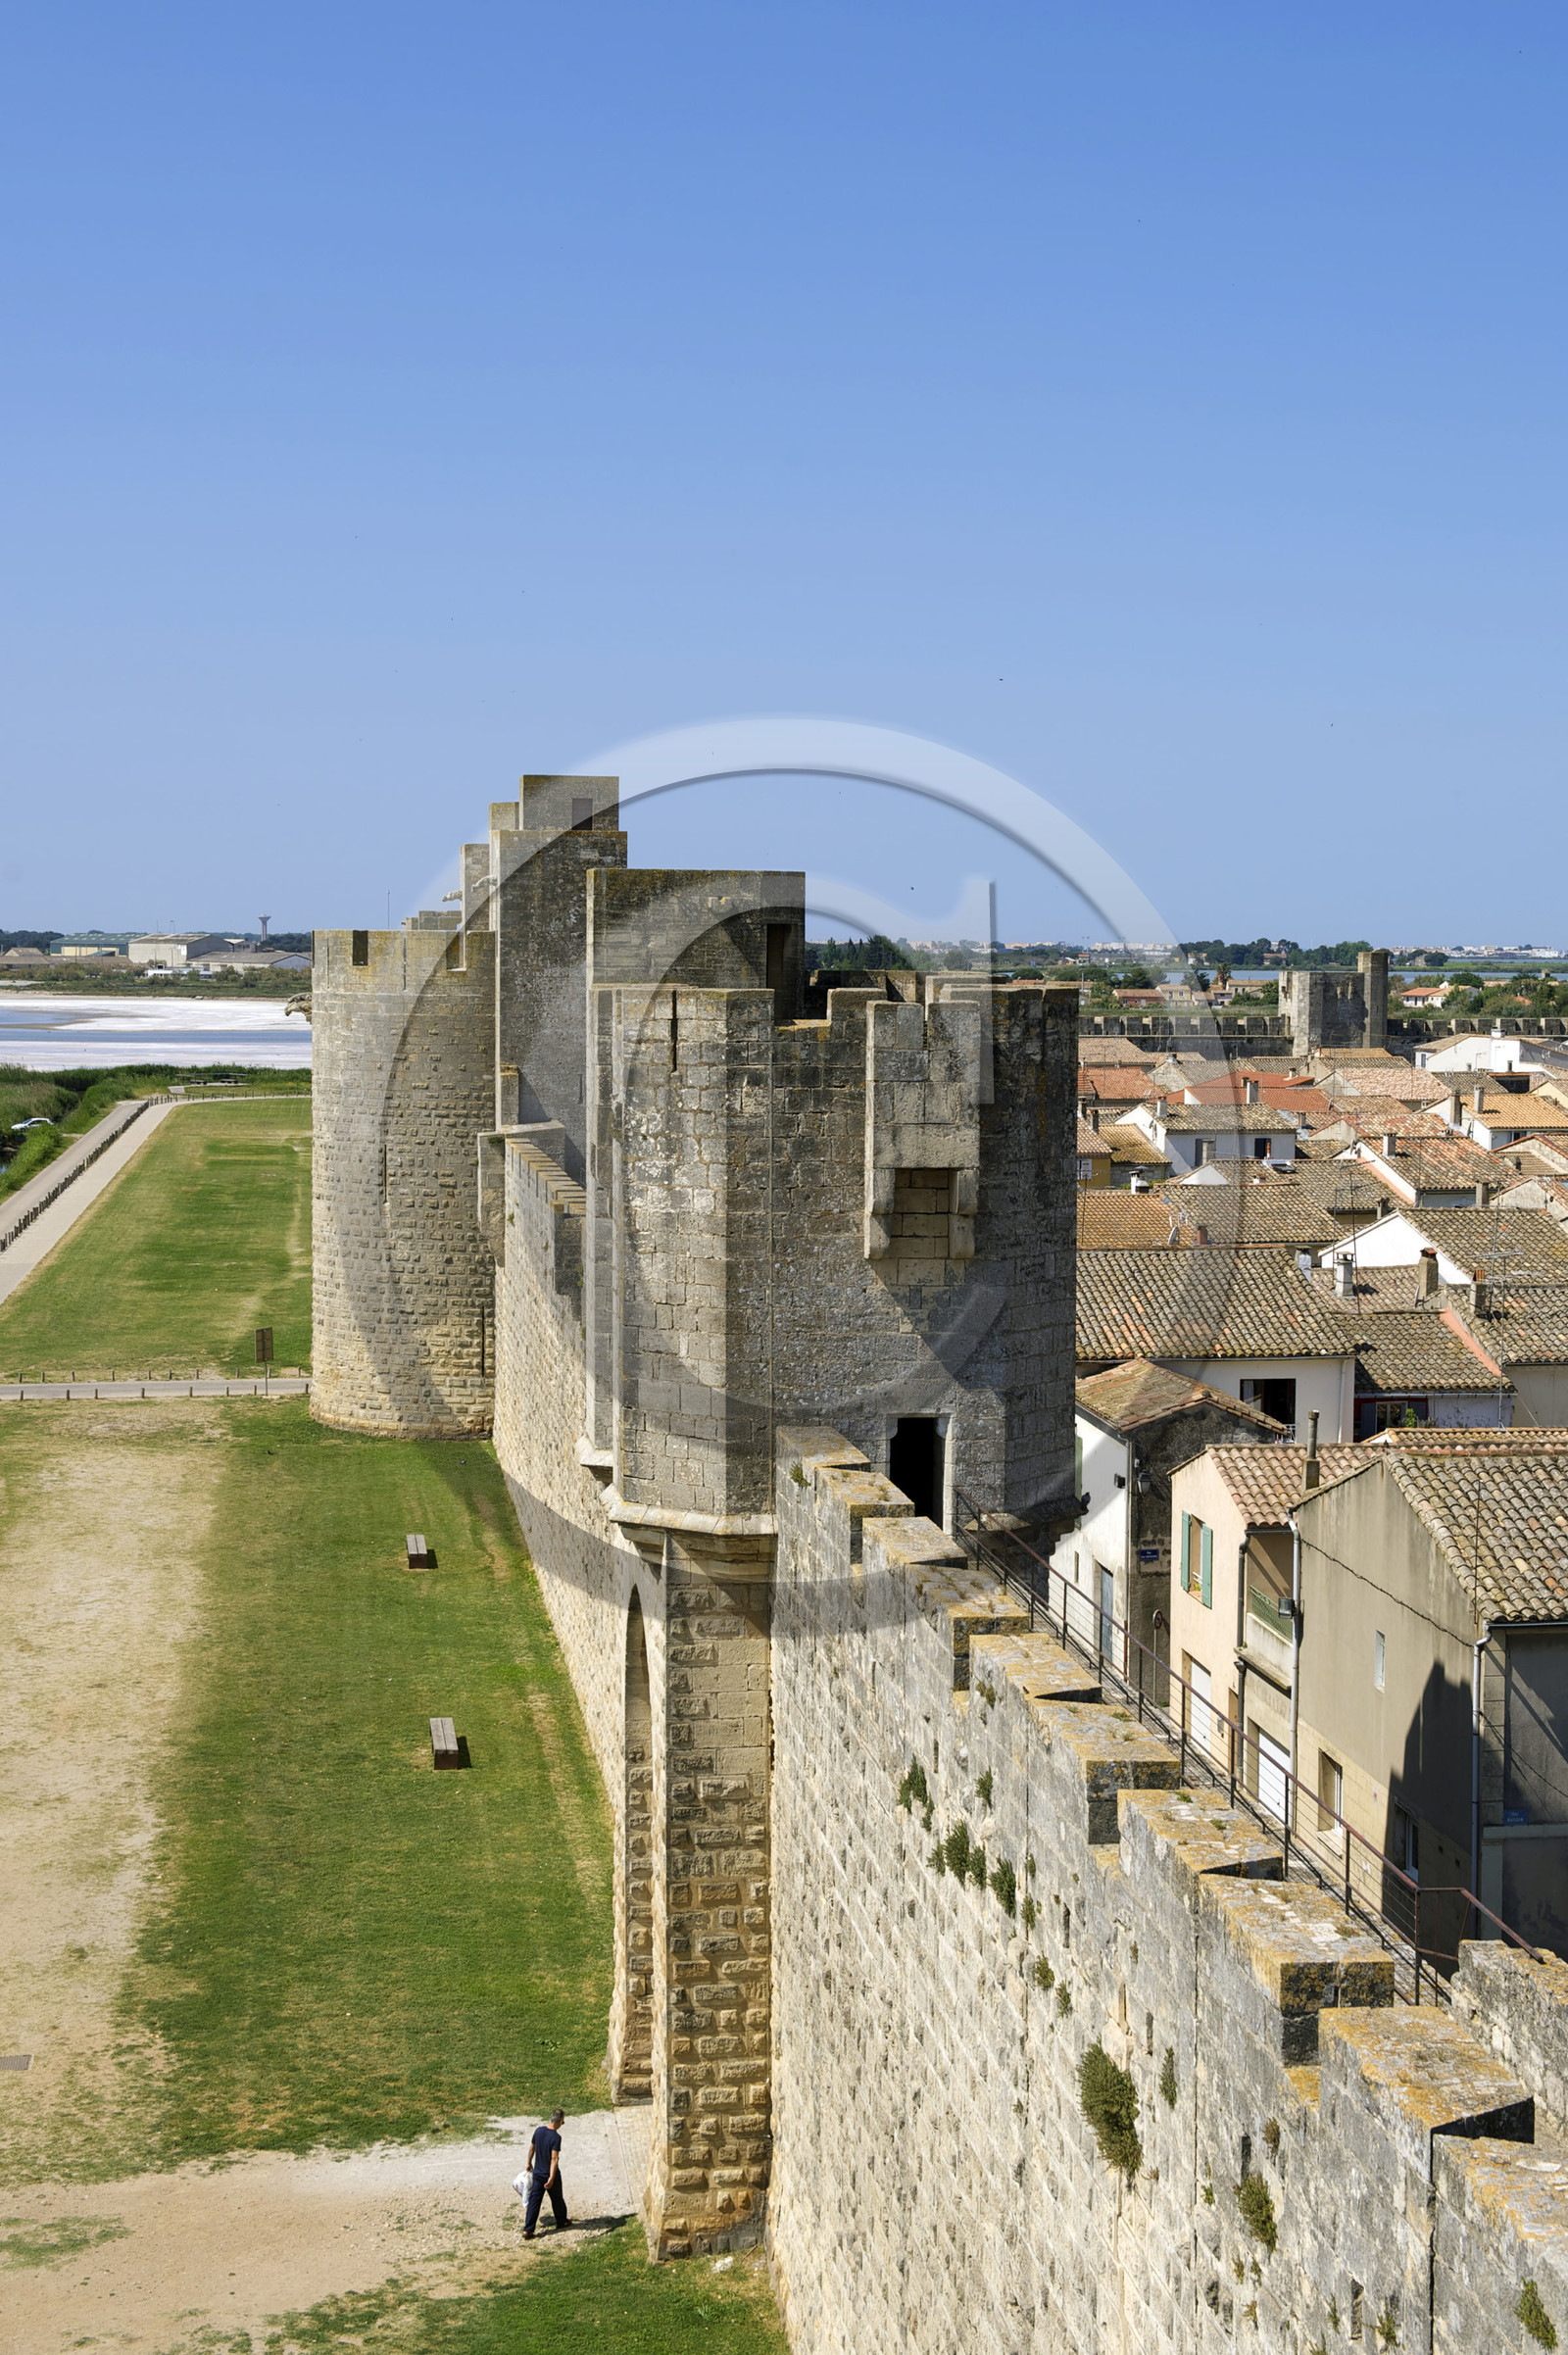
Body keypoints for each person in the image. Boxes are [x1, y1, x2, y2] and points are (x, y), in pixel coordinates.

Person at [514, 2109, 569, 2237]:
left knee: (534, 2201)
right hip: (549, 2174)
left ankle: (528, 2229)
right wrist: (551, 2178)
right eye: (563, 2122)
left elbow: (532, 2148)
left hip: (537, 2173)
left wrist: (528, 2162)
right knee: (557, 2199)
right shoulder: (556, 2137)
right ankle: (561, 2221)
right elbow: (554, 2159)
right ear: (560, 2121)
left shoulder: (538, 2131)